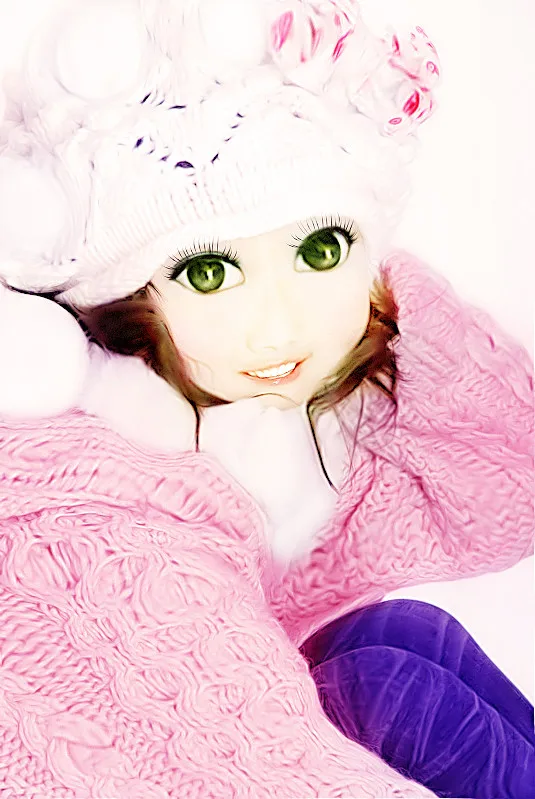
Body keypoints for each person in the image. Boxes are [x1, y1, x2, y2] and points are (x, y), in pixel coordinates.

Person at [0, 1, 533, 797]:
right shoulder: (87, 533)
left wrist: (383, 291)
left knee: (391, 645)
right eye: (209, 272)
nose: (281, 326)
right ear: (124, 293)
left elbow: (504, 493)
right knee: (387, 684)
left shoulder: (204, 408)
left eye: (320, 249)